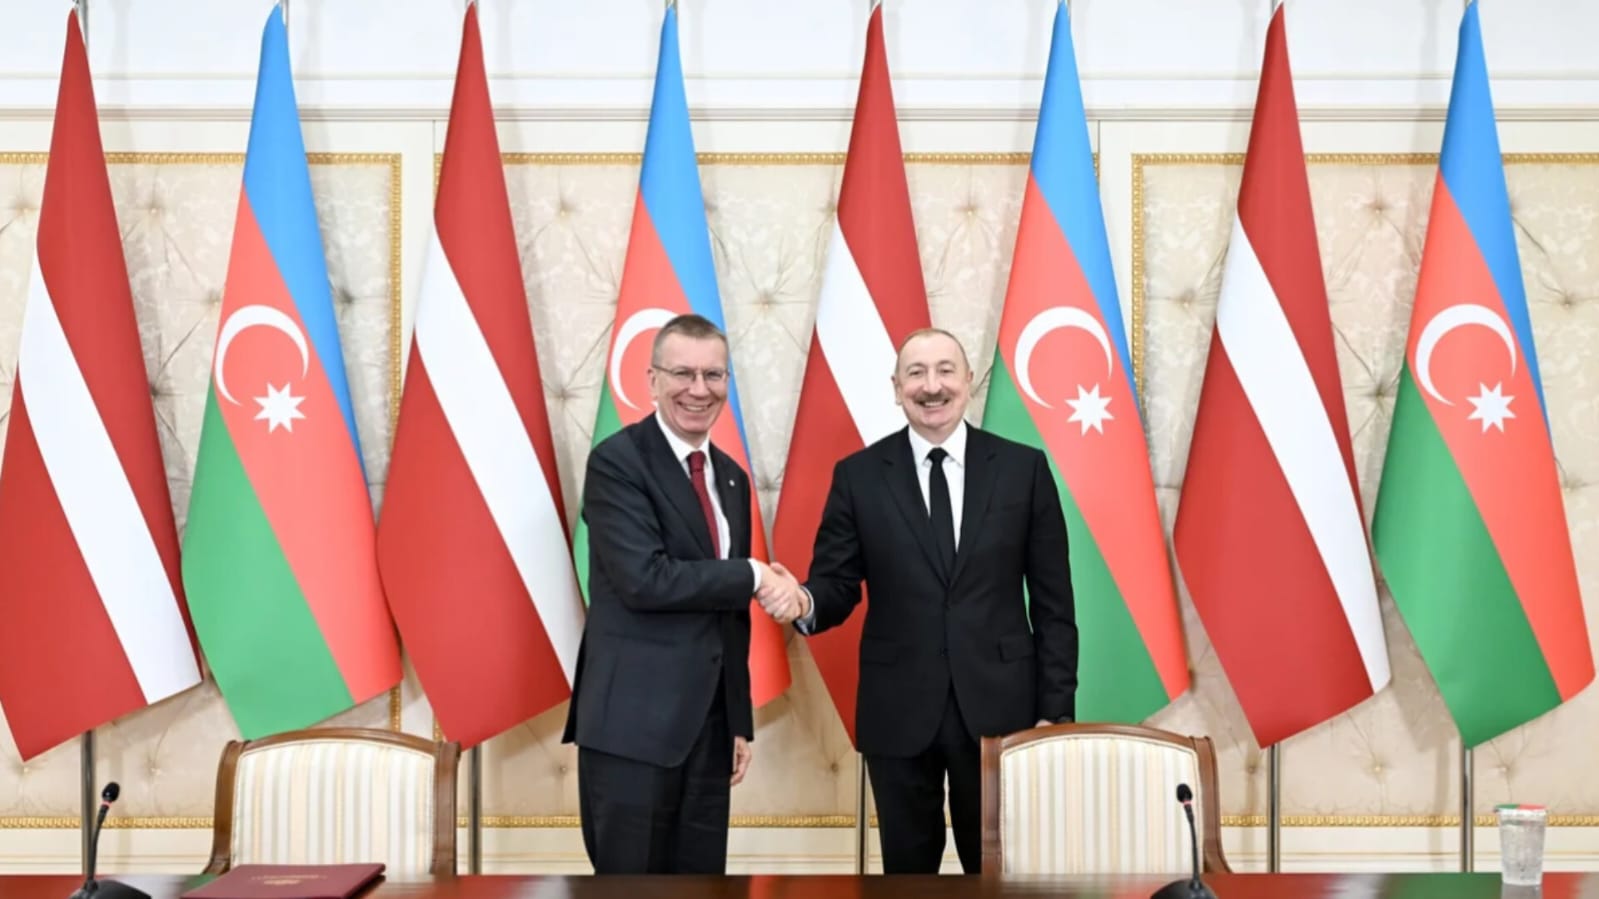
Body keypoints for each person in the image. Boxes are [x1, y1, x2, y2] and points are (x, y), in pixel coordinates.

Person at [765, 327, 1078, 875]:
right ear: (896, 388)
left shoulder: (1023, 471)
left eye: (945, 370)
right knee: (906, 878)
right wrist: (804, 602)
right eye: (916, 373)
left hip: (1003, 711)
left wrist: (1055, 712)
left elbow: (1054, 604)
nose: (932, 386)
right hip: (898, 710)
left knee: (998, 875)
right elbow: (837, 585)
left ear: (969, 381)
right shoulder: (859, 476)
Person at [563, 313, 789, 874]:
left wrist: (737, 720)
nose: (698, 389)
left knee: (703, 886)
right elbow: (645, 580)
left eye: (713, 375)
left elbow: (729, 617)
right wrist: (754, 574)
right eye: (683, 373)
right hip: (631, 730)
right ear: (653, 379)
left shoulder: (731, 477)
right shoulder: (617, 462)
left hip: (709, 733)